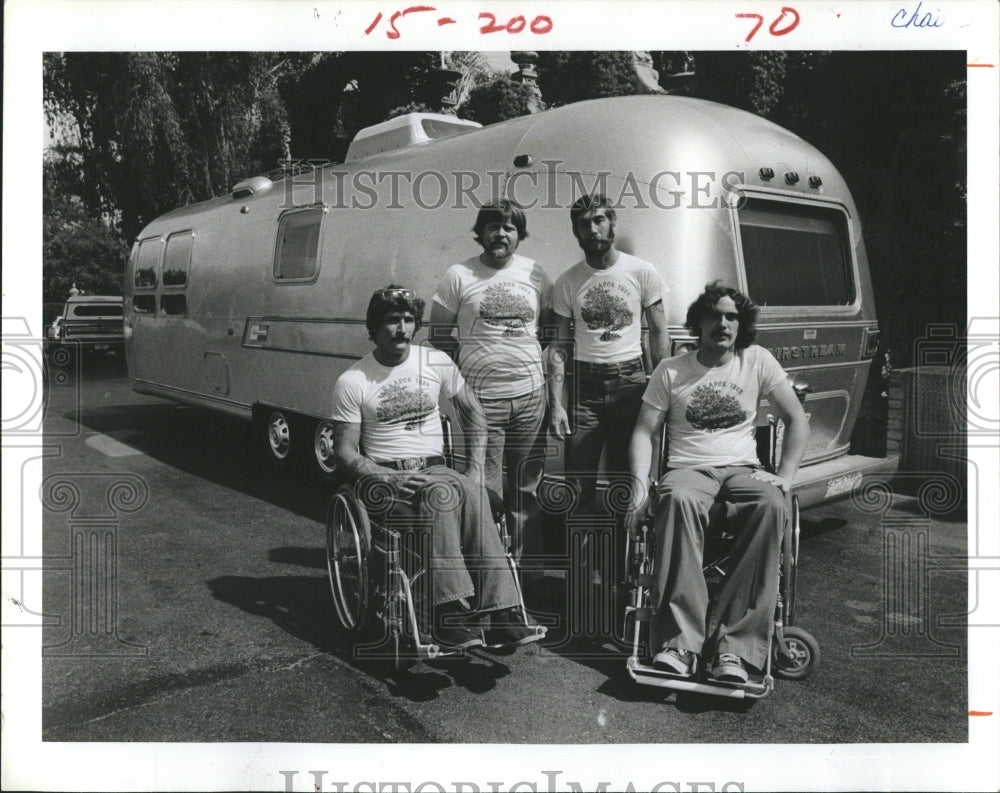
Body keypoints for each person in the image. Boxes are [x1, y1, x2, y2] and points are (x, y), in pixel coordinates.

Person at [330, 286, 544, 650]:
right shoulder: (353, 380)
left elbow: (475, 412)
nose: (401, 328)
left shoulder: (434, 362)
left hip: (434, 469)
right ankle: (449, 613)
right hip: (383, 476)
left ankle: (503, 611)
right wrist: (389, 476)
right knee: (442, 495)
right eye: (391, 320)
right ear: (374, 327)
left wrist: (475, 467)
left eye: (408, 320)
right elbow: (346, 454)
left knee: (470, 490)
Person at [624, 282, 809, 684]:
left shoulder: (757, 360)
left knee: (772, 504)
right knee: (674, 499)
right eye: (714, 315)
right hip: (689, 469)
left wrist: (786, 477)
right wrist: (640, 490)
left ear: (741, 325)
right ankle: (678, 644)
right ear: (698, 323)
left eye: (731, 316)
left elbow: (797, 419)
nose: (722, 323)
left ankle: (736, 651)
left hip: (742, 468)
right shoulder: (671, 370)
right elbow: (643, 432)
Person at [547, 194, 671, 572]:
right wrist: (556, 402)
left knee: (627, 482)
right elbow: (559, 346)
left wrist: (660, 386)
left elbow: (659, 332)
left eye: (599, 220)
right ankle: (582, 581)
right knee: (579, 486)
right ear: (575, 231)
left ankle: (622, 577)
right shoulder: (568, 282)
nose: (593, 229)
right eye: (584, 223)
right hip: (584, 388)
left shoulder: (642, 272)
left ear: (612, 224)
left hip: (632, 383)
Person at [429, 200, 553, 563]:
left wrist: (519, 359)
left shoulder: (536, 274)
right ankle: (491, 577)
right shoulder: (459, 275)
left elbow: (546, 328)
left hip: (531, 397)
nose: (501, 234)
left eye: (510, 227)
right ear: (481, 233)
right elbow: (438, 333)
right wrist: (467, 375)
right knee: (484, 489)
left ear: (520, 235)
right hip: (480, 401)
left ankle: (528, 575)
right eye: (494, 227)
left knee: (526, 489)